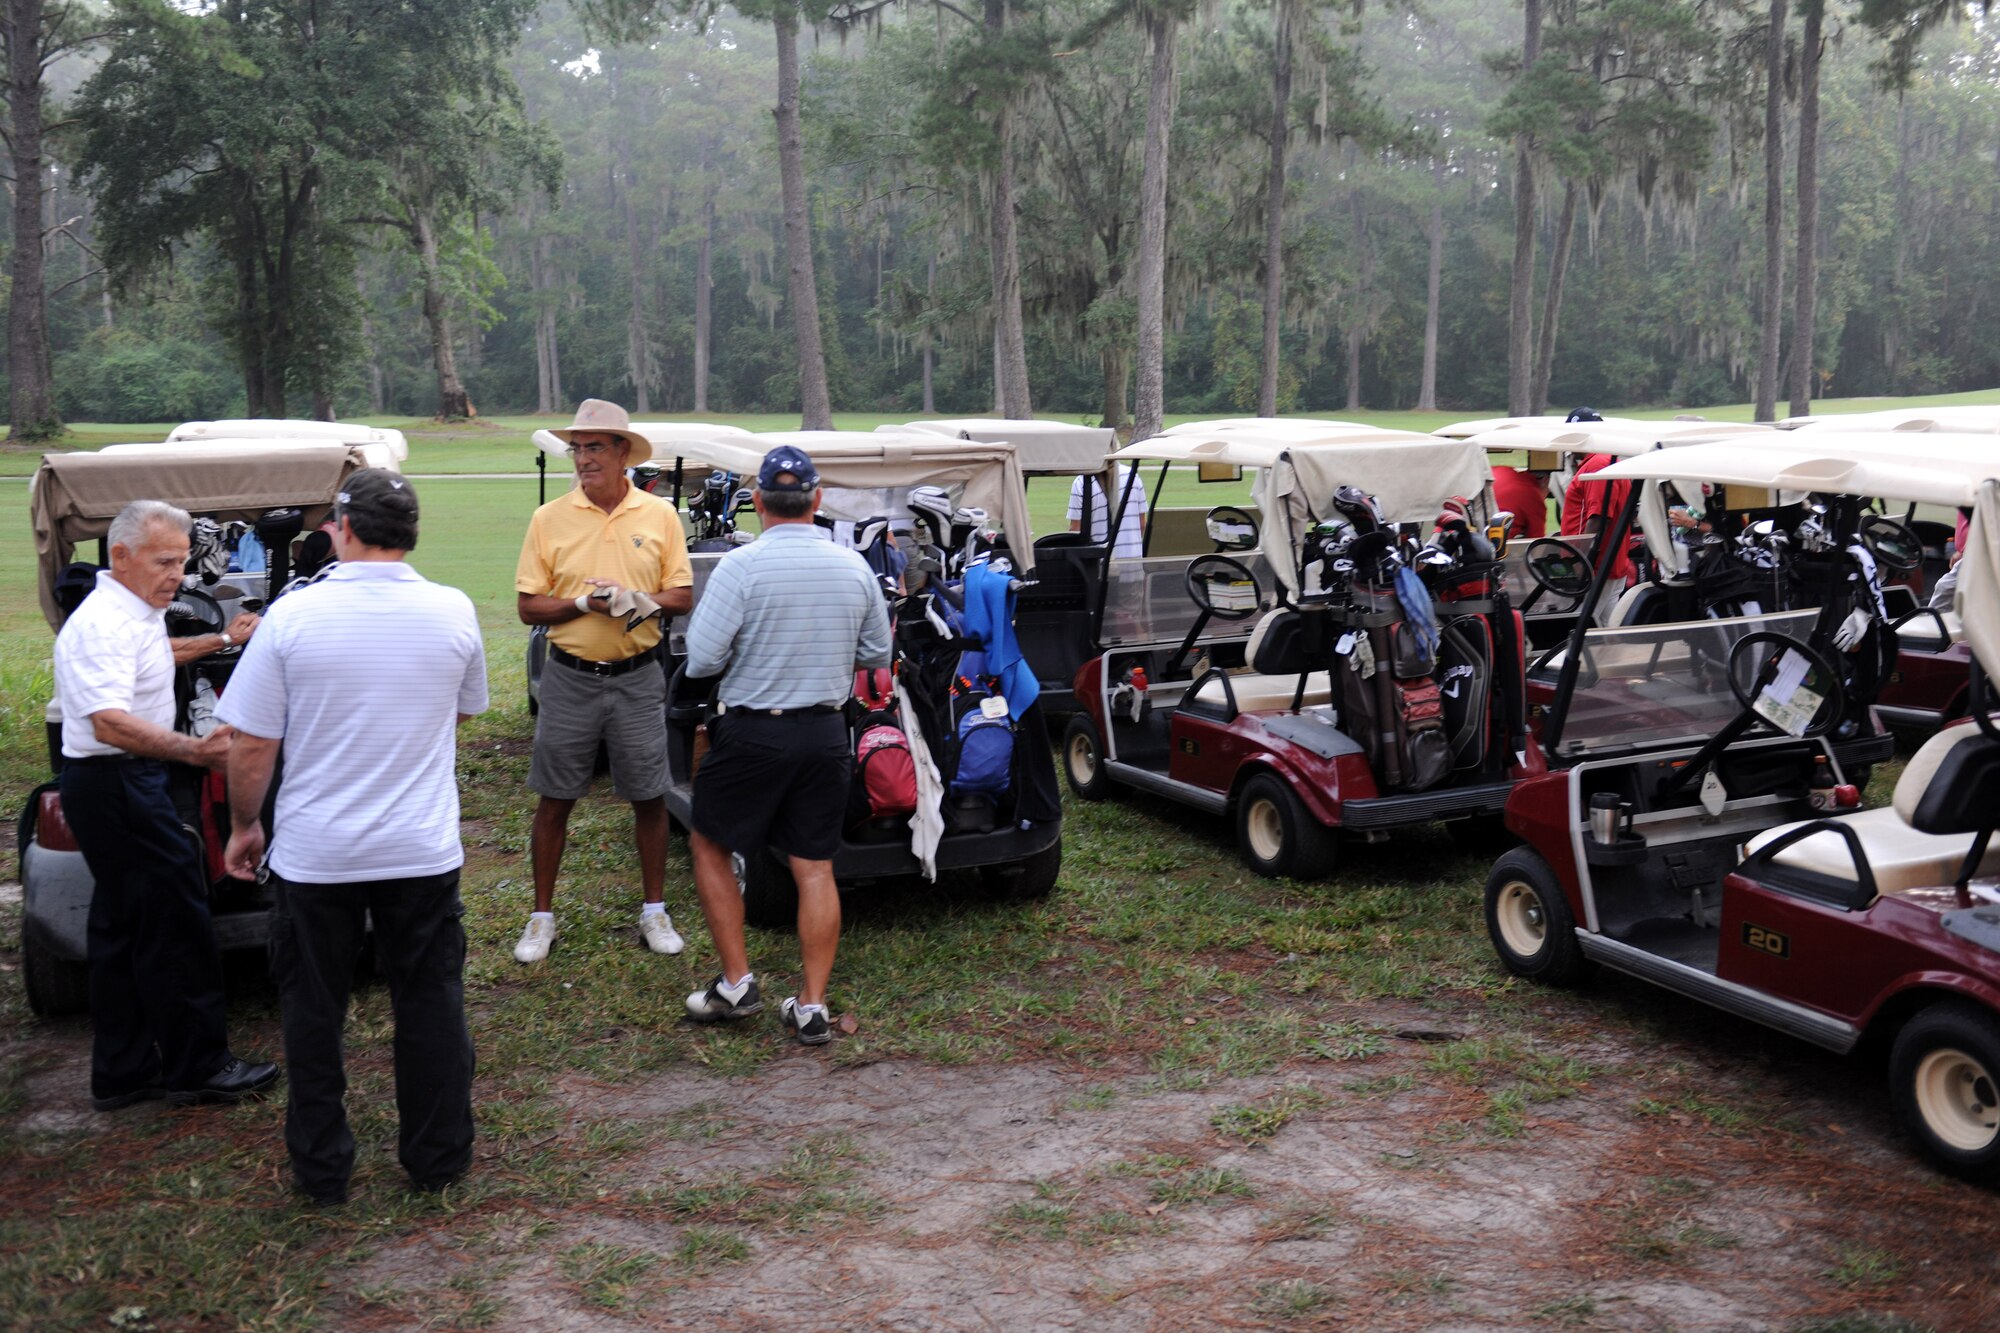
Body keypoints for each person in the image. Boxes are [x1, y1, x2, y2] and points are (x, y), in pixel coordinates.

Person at [217, 471, 485, 1206]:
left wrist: (246, 824)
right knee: (429, 999)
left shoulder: (295, 616)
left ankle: (322, 1166)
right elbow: (459, 713)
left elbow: (250, 743)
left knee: (313, 1008)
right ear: (410, 530)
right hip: (419, 845)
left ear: (341, 525)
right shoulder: (453, 610)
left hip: (318, 850)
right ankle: (438, 1154)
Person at [52, 499, 278, 1112]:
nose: (177, 574)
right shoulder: (102, 624)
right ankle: (198, 1066)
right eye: (164, 561)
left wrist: (219, 639)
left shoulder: (136, 608)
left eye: (181, 561)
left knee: (123, 929)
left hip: (116, 783)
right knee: (178, 923)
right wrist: (194, 753)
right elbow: (108, 722)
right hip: (118, 781)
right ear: (119, 555)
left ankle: (123, 1071)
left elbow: (151, 658)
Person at [680, 445, 892, 1045]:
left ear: (757, 502)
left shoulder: (741, 568)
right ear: (817, 501)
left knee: (710, 844)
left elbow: (701, 659)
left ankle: (737, 981)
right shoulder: (853, 567)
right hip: (825, 732)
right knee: (815, 867)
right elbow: (877, 654)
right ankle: (813, 1005)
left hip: (753, 730)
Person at [513, 399, 696, 963]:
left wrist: (636, 601)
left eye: (595, 448)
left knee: (649, 795)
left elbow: (681, 595)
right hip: (569, 678)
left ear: (623, 454)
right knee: (555, 797)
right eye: (578, 449)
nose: (584, 459)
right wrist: (581, 602)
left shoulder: (659, 515)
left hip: (639, 677)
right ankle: (541, 917)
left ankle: (653, 911)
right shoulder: (550, 518)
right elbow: (528, 608)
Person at [1561, 452, 1635, 622]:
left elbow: (1598, 519)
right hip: (1608, 563)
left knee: (1580, 628)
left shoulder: (1597, 465)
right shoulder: (1604, 461)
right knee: (1607, 635)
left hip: (1595, 567)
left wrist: (1581, 562)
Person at [1068, 464, 1148, 558]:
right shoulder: (1133, 475)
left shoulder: (1081, 481)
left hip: (1100, 561)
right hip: (1134, 558)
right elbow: (1142, 524)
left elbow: (1076, 530)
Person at [1489, 465, 1553, 540]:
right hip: (1496, 544)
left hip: (1475, 533)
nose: (1544, 499)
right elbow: (1536, 544)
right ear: (1546, 480)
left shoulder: (1502, 469)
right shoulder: (1534, 497)